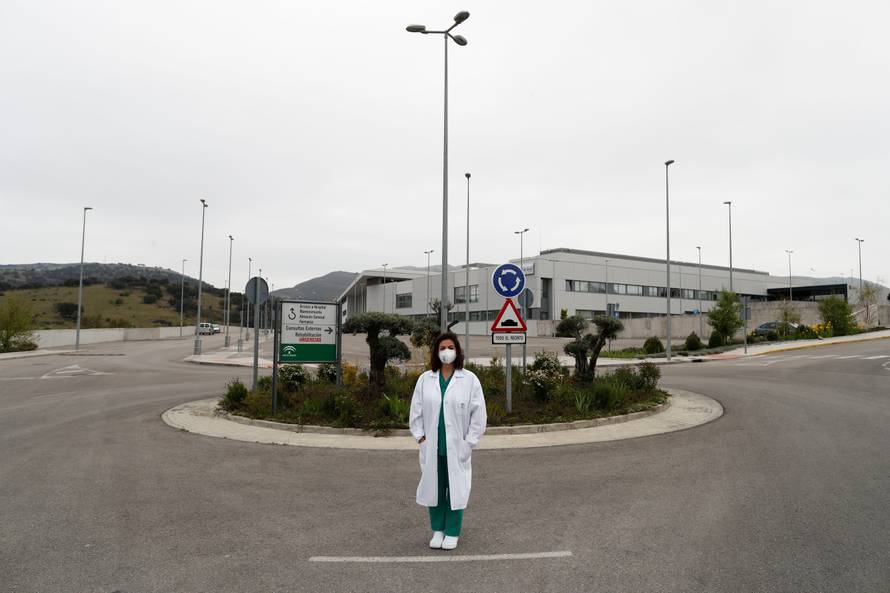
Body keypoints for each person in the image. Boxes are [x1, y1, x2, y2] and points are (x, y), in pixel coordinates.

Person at [409, 332, 487, 551]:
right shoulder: (426, 379)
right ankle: (438, 530)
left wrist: (469, 442)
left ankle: (452, 532)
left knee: (455, 489)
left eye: (450, 347)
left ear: (457, 350)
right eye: (442, 347)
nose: (446, 351)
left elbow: (479, 415)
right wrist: (421, 438)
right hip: (432, 446)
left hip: (457, 447)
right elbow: (416, 412)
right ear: (436, 352)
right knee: (434, 488)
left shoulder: (469, 379)